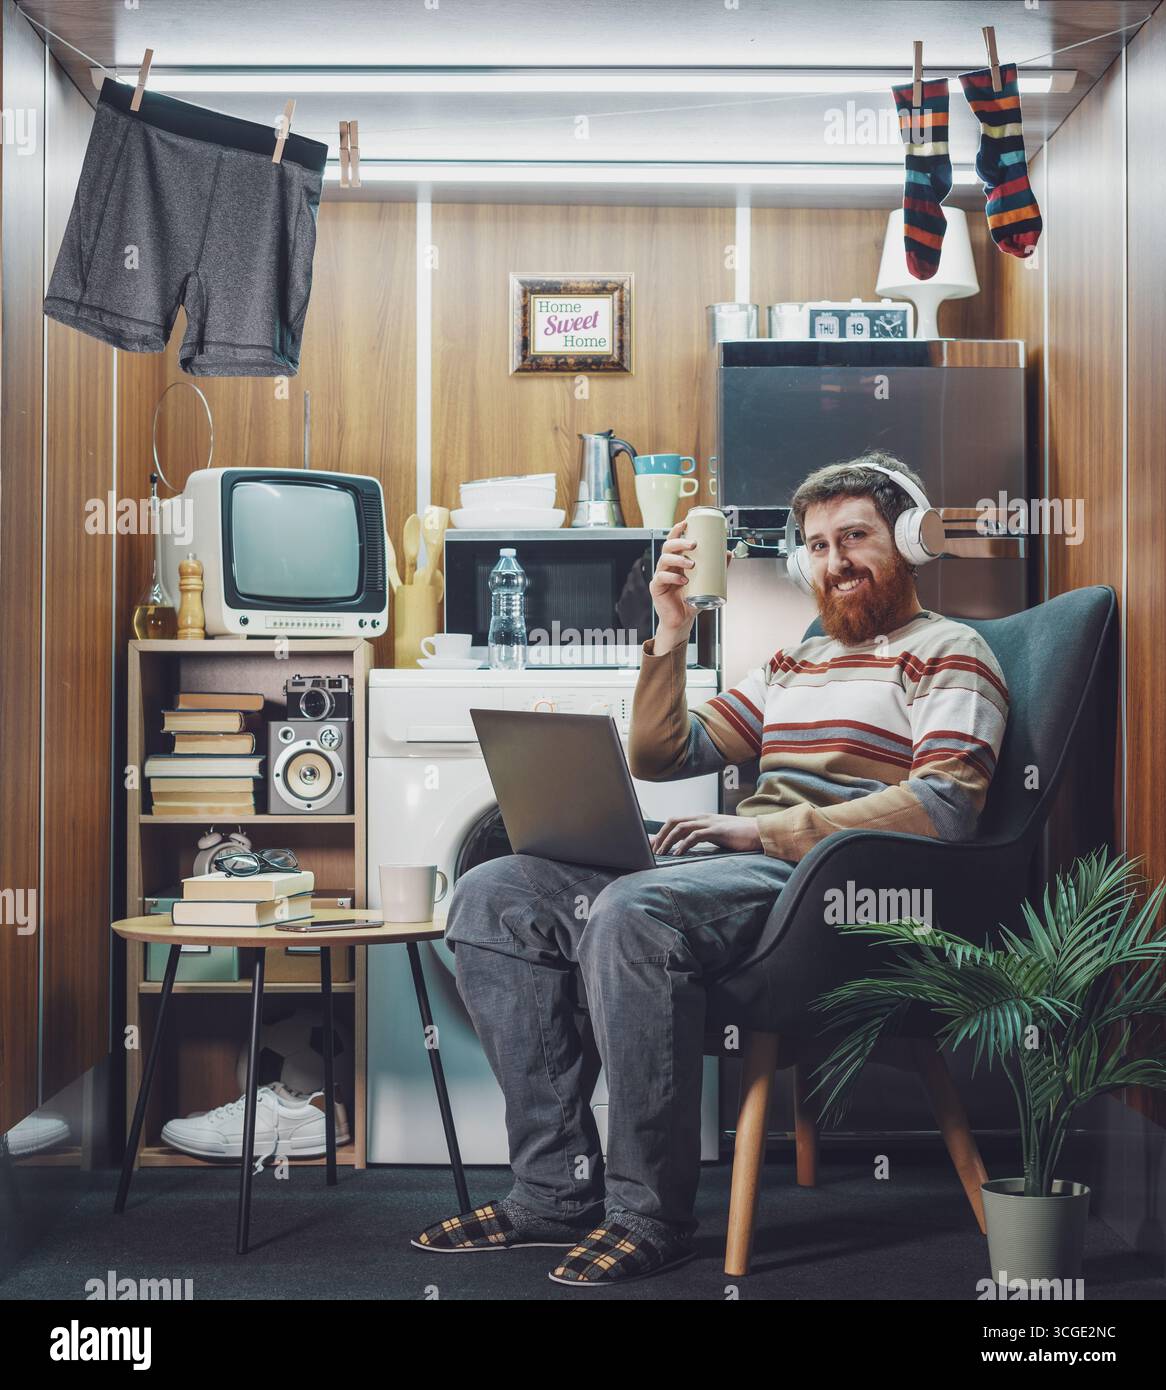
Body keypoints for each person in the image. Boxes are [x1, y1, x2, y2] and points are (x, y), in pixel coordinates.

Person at [411, 453, 1009, 1286]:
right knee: (493, 894)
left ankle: (650, 1217)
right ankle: (553, 1193)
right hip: (743, 864)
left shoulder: (952, 652)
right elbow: (661, 753)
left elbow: (945, 806)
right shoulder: (794, 663)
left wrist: (760, 835)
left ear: (909, 541)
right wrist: (669, 630)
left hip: (825, 885)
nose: (835, 563)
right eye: (818, 546)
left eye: (857, 539)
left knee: (631, 913)